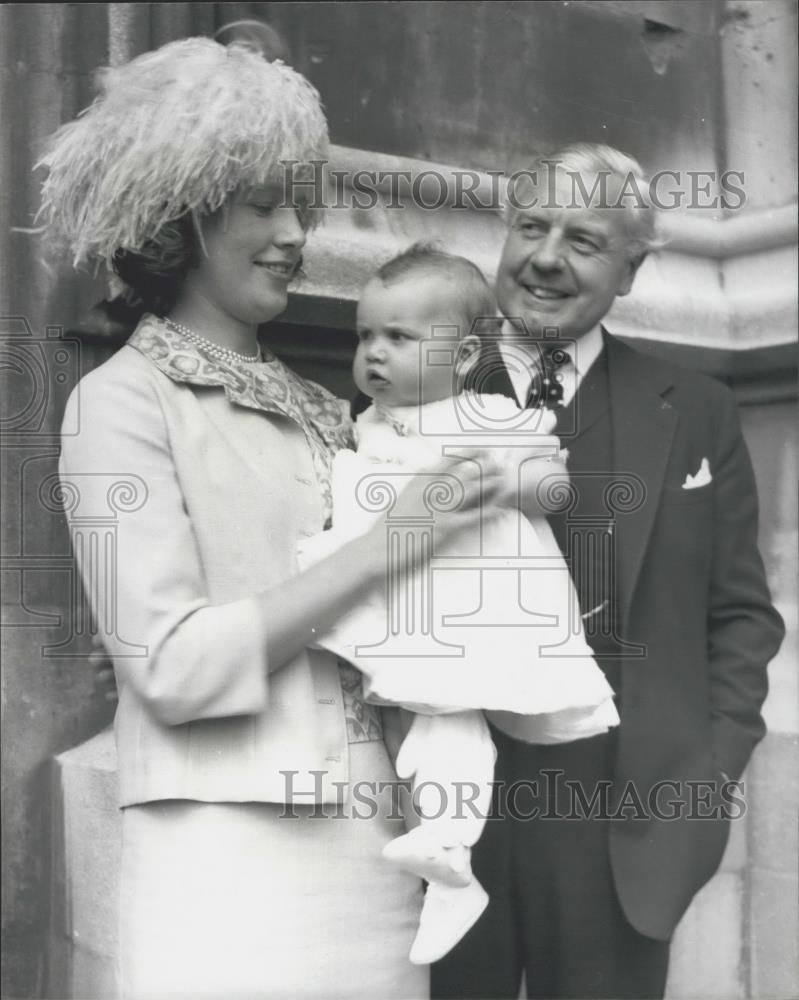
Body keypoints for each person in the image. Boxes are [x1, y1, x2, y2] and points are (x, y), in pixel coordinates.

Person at [39, 37, 503, 1000]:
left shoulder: (334, 408)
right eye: (264, 205)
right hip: (224, 848)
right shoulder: (120, 403)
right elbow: (169, 670)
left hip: (377, 843)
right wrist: (394, 542)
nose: (298, 233)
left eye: (300, 204)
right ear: (182, 219)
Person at [430, 144, 786, 1000]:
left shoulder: (696, 407)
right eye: (530, 227)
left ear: (629, 271)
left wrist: (706, 778)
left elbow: (740, 614)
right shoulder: (416, 379)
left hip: (624, 819)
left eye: (583, 240)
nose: (546, 256)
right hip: (448, 804)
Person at [297, 243, 620, 966]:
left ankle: (448, 851)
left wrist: (496, 484)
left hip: (473, 604)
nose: (374, 354)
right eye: (364, 336)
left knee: (451, 716)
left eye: (399, 338)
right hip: (400, 598)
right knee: (416, 726)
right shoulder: (364, 423)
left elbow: (553, 484)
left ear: (465, 351)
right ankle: (441, 857)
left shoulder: (485, 412)